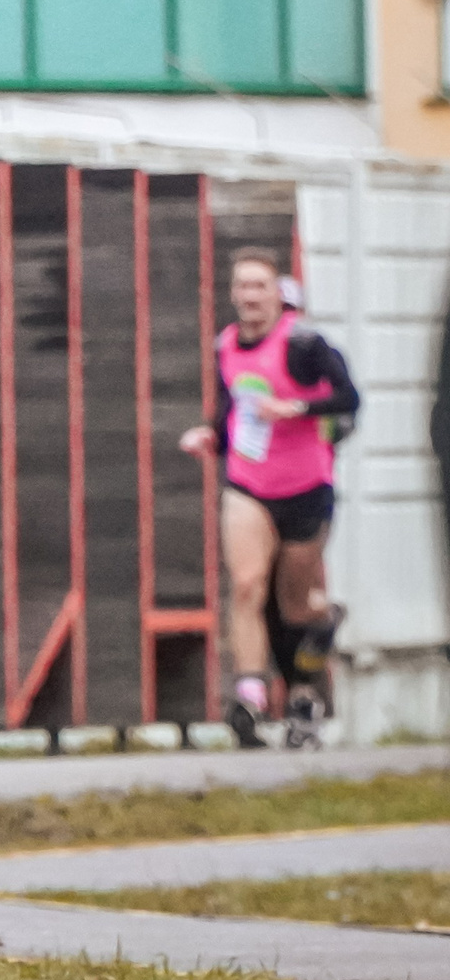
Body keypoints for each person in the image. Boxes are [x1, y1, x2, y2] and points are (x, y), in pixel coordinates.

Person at [178, 250, 358, 749]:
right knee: (247, 586)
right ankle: (251, 694)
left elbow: (349, 398)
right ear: (233, 294)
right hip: (249, 484)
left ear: (277, 293)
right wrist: (209, 435)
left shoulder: (303, 344)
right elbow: (231, 408)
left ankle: (314, 660)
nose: (251, 296)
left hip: (305, 485)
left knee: (296, 605)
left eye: (261, 286)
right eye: (243, 287)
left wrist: (295, 407)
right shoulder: (227, 345)